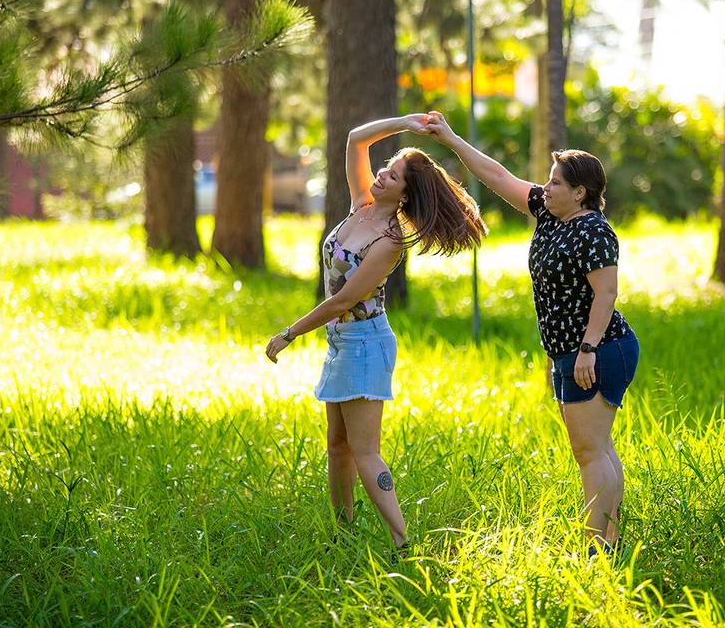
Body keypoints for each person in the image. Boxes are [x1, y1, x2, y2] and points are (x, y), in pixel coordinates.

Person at [265, 114, 487, 554]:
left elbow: (343, 300)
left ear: (407, 192)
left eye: (394, 175)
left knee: (365, 450)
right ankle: (343, 531)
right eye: (386, 168)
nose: (382, 174)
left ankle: (403, 541)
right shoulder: (361, 205)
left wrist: (289, 333)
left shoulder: (389, 241)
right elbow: (353, 137)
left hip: (366, 344)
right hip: (342, 343)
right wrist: (406, 123)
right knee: (337, 445)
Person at [424, 111, 639, 559]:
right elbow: (496, 174)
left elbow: (607, 294)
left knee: (589, 451)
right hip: (571, 352)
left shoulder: (594, 231)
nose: (547, 187)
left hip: (600, 350)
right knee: (596, 447)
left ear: (580, 192)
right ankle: (610, 543)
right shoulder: (547, 212)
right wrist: (450, 139)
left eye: (557, 182)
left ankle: (599, 549)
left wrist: (586, 351)